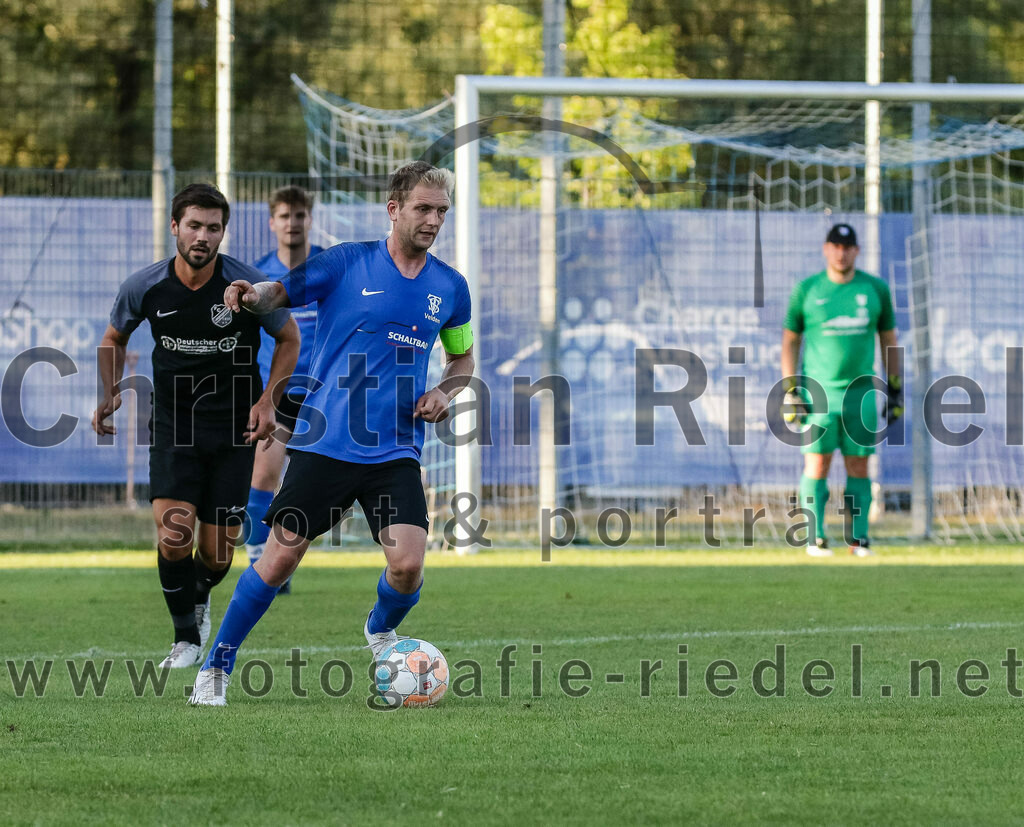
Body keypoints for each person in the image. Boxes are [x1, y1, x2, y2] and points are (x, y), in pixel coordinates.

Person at [189, 161, 475, 706]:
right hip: (326, 445)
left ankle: (379, 630)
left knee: (409, 566)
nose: (434, 220)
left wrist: (446, 390)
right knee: (275, 561)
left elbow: (462, 358)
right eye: (423, 208)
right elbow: (280, 292)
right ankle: (215, 669)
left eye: (441, 211)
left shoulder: (450, 287)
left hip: (395, 449)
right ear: (394, 209)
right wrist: (250, 296)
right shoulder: (347, 262)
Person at [91, 183, 299, 668]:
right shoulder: (145, 286)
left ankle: (199, 595)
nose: (202, 236)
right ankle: (185, 637)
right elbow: (112, 337)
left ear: (223, 232)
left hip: (233, 431)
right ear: (175, 228)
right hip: (173, 426)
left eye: (213, 227)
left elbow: (288, 338)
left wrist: (269, 400)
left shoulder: (246, 286)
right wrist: (108, 392)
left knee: (218, 555)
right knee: (172, 534)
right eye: (194, 226)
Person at [781, 223, 902, 557]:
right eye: (835, 245)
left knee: (859, 467)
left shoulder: (875, 289)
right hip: (817, 394)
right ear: (825, 248)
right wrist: (791, 389)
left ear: (856, 251)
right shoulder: (807, 290)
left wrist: (895, 388)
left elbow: (889, 340)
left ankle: (858, 539)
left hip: (860, 395)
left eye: (847, 246)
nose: (841, 252)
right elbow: (790, 341)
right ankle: (815, 538)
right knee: (816, 464)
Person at [241, 185, 325, 594]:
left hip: (326, 392)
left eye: (299, 216)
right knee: (264, 475)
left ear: (310, 219)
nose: (292, 223)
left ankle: (285, 555)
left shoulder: (329, 267)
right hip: (278, 392)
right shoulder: (259, 275)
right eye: (284, 216)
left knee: (316, 485)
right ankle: (262, 566)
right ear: (272, 222)